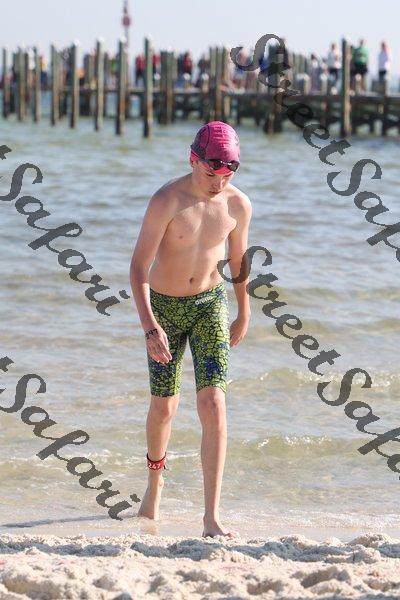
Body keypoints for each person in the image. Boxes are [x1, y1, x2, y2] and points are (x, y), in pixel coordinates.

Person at [130, 121, 252, 538]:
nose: (219, 183)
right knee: (164, 407)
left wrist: (244, 311)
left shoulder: (238, 205)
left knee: (213, 403)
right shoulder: (167, 200)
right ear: (193, 160)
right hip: (163, 309)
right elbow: (138, 267)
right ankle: (155, 482)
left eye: (227, 174)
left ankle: (211, 516)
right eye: (211, 172)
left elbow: (238, 262)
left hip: (209, 305)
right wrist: (150, 327)